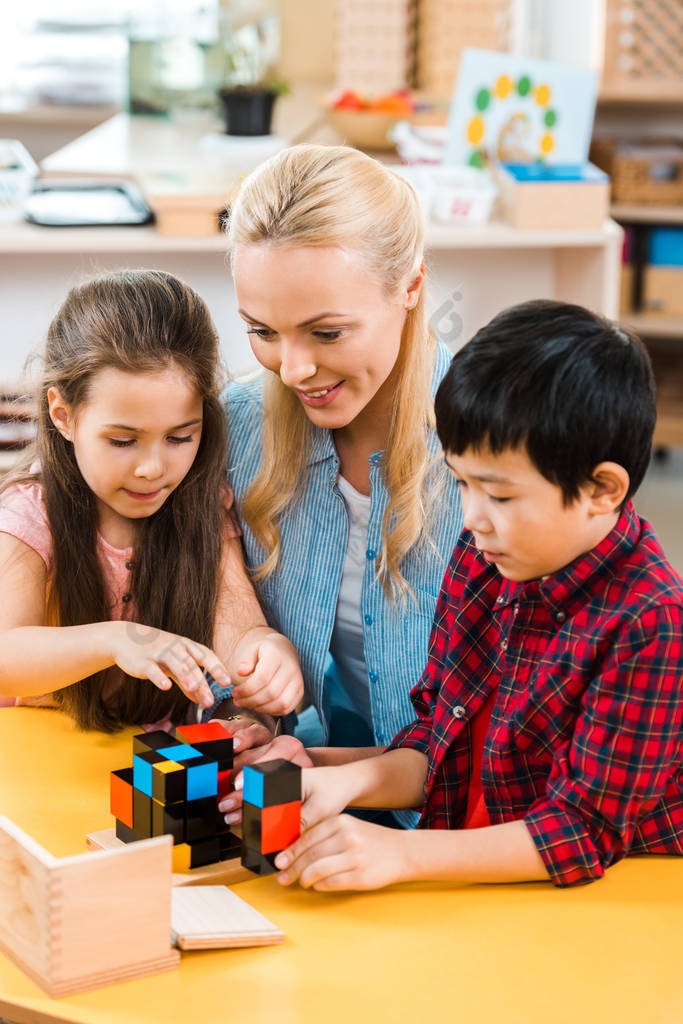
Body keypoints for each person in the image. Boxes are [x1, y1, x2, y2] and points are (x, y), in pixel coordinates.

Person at [267, 299, 683, 890]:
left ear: (601, 489)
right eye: (461, 483)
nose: (472, 517)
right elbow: (438, 737)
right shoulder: (485, 558)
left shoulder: (653, 623)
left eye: (500, 495)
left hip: (598, 906)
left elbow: (580, 833)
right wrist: (341, 776)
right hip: (478, 884)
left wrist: (402, 855)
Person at [215, 144, 463, 828]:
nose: (292, 369)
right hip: (319, 811)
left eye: (325, 331)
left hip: (464, 833)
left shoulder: (497, 443)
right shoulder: (239, 425)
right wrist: (246, 700)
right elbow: (197, 556)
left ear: (409, 286)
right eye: (262, 332)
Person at [0, 269, 303, 732]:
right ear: (63, 416)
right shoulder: (30, 510)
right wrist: (117, 640)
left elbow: (238, 632)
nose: (152, 469)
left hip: (145, 765)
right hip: (37, 757)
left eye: (180, 437)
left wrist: (263, 659)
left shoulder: (203, 504)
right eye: (122, 441)